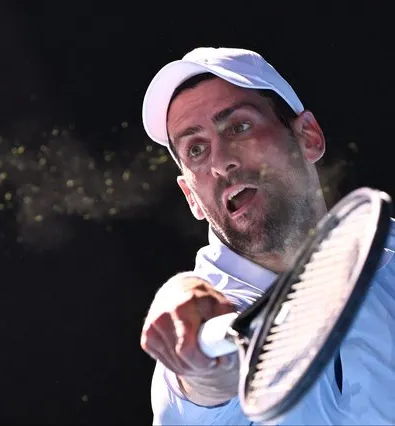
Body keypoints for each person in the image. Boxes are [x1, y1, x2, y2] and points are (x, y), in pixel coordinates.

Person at [139, 47, 395, 425]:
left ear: (308, 136)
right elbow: (203, 388)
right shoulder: (213, 313)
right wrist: (201, 364)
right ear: (191, 196)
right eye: (195, 149)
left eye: (238, 127)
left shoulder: (386, 249)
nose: (219, 161)